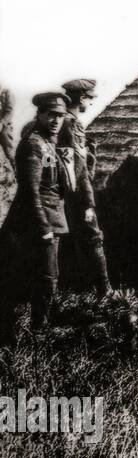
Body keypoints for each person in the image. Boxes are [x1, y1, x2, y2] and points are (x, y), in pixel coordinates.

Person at [0, 93, 70, 347]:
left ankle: (36, 331)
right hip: (34, 224)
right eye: (50, 114)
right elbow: (31, 191)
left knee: (43, 279)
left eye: (60, 116)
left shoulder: (47, 143)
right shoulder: (34, 144)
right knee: (46, 279)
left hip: (47, 221)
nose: (56, 120)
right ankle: (38, 334)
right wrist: (44, 228)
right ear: (39, 114)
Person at [57, 78, 112, 297]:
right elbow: (79, 171)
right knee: (92, 237)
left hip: (61, 191)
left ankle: (77, 286)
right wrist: (89, 201)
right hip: (77, 194)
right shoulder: (73, 123)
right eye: (90, 99)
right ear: (81, 97)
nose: (90, 104)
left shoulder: (58, 120)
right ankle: (104, 289)